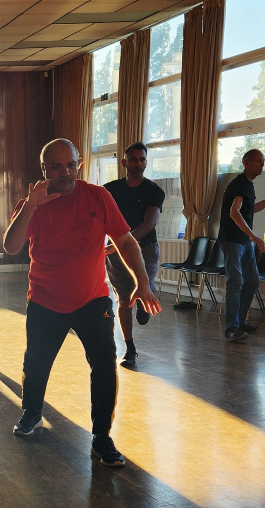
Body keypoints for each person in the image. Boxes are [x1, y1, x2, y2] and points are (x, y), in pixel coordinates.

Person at [4, 138, 163, 468]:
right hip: (45, 300)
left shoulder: (98, 196)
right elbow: (11, 246)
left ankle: (102, 435)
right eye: (56, 166)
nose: (65, 172)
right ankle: (32, 413)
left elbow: (125, 241)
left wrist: (142, 281)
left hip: (92, 300)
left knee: (104, 365)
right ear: (44, 169)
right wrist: (30, 206)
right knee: (36, 363)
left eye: (71, 165)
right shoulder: (32, 203)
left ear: (79, 164)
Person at [217, 149, 265, 342]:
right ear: (246, 162)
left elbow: (252, 208)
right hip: (232, 240)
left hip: (243, 241)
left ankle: (240, 322)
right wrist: (255, 237)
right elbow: (234, 213)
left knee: (252, 280)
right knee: (235, 281)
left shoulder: (249, 186)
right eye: (258, 161)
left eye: (263, 161)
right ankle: (231, 328)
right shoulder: (239, 184)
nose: (262, 164)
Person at [102, 142, 165, 367]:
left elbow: (149, 223)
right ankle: (129, 348)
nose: (138, 163)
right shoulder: (109, 190)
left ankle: (144, 294)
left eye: (142, 159)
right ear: (124, 163)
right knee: (124, 299)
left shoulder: (154, 191)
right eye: (133, 159)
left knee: (145, 284)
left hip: (146, 248)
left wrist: (123, 242)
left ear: (146, 162)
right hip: (115, 251)